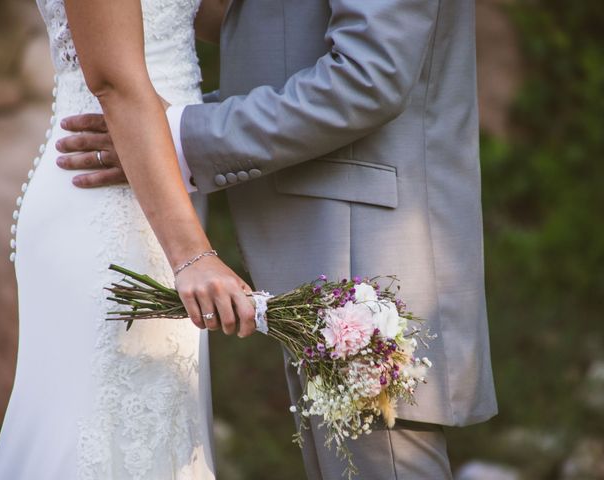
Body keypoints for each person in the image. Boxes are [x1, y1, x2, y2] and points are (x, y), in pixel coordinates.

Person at [58, 0, 499, 478]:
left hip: (363, 244)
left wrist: (176, 138)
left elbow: (369, 76)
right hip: (325, 237)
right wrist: (154, 141)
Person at [0, 0, 254, 478]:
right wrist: (192, 254)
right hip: (107, 203)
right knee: (99, 433)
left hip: (160, 200)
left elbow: (223, 20)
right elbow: (114, 82)